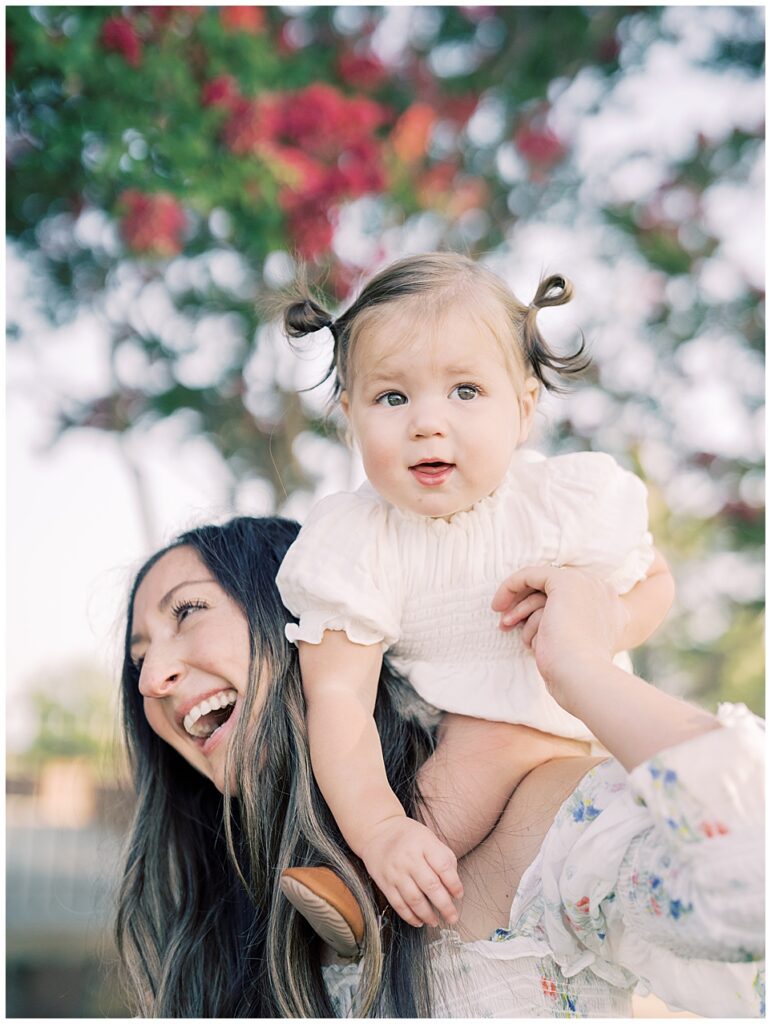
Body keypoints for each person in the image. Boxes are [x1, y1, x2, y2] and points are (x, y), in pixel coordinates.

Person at [117, 515, 763, 1018]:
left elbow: (751, 884)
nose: (149, 679)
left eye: (188, 611)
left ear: (319, 623)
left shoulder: (535, 830)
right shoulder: (239, 920)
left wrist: (580, 668)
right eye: (137, 656)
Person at [274, 252, 675, 948]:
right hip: (444, 742)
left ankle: (370, 895)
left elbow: (654, 581)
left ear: (522, 409)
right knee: (473, 761)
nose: (427, 423)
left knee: (513, 746)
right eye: (391, 398)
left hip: (582, 725)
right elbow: (336, 700)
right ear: (349, 417)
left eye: (464, 391)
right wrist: (379, 827)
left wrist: (607, 619)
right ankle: (380, 876)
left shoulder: (559, 505)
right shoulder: (359, 540)